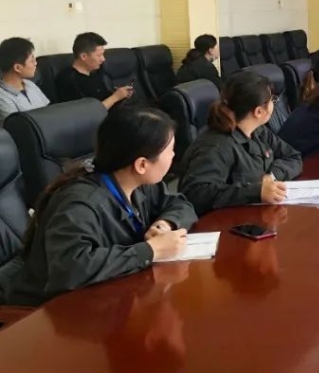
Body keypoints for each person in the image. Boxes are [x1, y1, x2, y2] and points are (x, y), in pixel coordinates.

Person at [0, 106, 197, 307]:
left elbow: (181, 203)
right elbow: (71, 269)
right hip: (43, 310)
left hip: (106, 295)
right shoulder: (80, 205)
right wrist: (150, 250)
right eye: (170, 151)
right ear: (142, 165)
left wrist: (165, 224)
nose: (173, 156)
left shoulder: (138, 184)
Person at [177, 71, 302, 216]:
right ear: (259, 111)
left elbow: (293, 156)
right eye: (272, 100)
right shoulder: (216, 146)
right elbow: (196, 193)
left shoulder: (258, 131)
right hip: (224, 222)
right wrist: (255, 191)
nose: (274, 104)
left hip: (256, 215)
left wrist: (271, 177)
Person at [55, 32, 133, 109]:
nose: (103, 59)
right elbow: (86, 113)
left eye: (103, 54)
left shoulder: (97, 70)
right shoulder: (68, 80)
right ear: (83, 56)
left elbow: (104, 98)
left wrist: (120, 95)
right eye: (99, 55)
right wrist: (115, 97)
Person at [0, 37, 49, 124]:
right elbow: (17, 126)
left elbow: (49, 111)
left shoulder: (30, 85)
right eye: (32, 60)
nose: (35, 63)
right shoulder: (2, 97)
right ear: (17, 68)